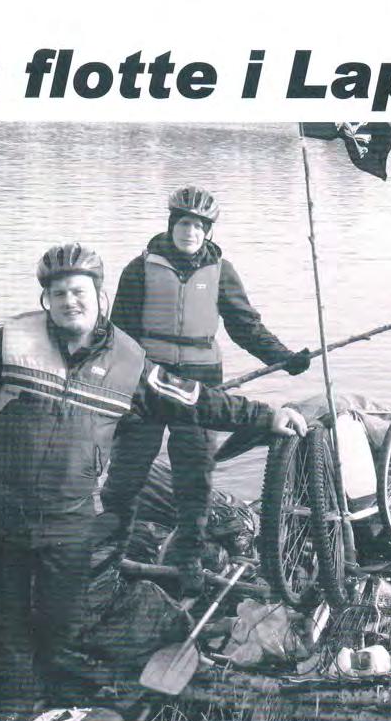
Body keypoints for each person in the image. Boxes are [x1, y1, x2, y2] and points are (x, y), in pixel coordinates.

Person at [0, 242, 307, 715]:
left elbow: (195, 400)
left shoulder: (129, 362)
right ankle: (9, 712)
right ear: (45, 301)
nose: (68, 302)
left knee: (64, 623)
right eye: (58, 294)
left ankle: (60, 709)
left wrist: (265, 416)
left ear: (100, 297)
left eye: (78, 291)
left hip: (67, 521)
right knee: (4, 620)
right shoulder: (12, 342)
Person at [100, 184, 311, 581]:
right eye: (184, 223)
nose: (190, 232)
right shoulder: (138, 269)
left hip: (201, 383)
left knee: (194, 476)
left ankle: (188, 563)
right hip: (147, 383)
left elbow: (245, 326)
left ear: (209, 231)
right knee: (126, 472)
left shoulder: (222, 272)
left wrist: (283, 357)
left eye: (199, 226)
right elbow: (118, 336)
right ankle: (109, 557)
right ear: (171, 225)